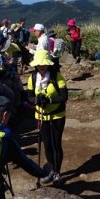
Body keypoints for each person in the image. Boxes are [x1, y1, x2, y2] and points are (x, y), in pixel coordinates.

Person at [26, 50, 68, 187]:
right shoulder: (32, 78)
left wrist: (49, 100)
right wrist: (36, 100)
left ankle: (57, 172)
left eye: (43, 64)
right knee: (47, 145)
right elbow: (29, 95)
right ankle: (52, 169)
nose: (41, 67)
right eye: (39, 64)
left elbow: (64, 96)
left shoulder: (57, 76)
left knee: (56, 144)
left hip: (57, 115)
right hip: (41, 116)